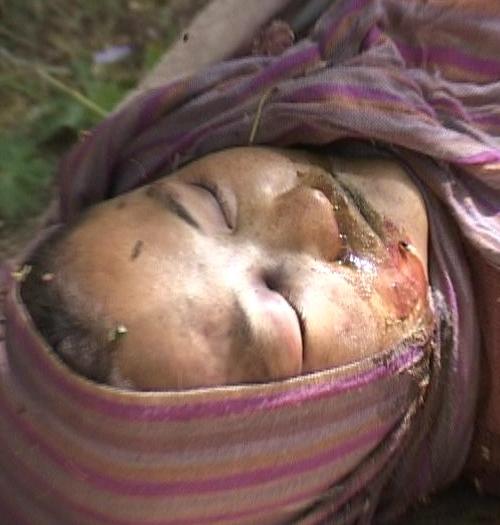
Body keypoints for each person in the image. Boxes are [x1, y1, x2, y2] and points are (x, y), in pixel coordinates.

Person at [0, 0, 499, 523]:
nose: (309, 209)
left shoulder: (315, 75)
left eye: (211, 203)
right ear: (347, 420)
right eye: (285, 309)